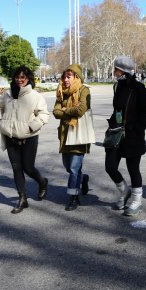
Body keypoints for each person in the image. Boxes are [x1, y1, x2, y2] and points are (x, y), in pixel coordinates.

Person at [0, 66, 50, 214]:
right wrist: (0, 121)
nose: (19, 80)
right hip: (10, 136)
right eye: (17, 77)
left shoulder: (35, 96)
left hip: (28, 137)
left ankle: (42, 182)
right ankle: (22, 199)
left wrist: (31, 127)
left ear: (28, 78)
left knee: (28, 168)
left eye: (23, 77)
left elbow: (44, 114)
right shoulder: (7, 93)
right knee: (16, 168)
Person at [105, 56, 146, 216]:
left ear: (123, 71)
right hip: (117, 133)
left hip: (133, 135)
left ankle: (137, 201)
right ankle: (125, 191)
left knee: (133, 169)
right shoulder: (118, 86)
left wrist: (137, 128)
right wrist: (112, 123)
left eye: (116, 69)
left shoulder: (138, 87)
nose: (114, 72)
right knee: (110, 166)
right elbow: (117, 110)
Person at [53, 63, 92, 211]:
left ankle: (73, 197)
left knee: (74, 168)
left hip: (78, 133)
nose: (66, 79)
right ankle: (83, 179)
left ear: (76, 77)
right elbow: (55, 112)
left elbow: (81, 110)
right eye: (64, 76)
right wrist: (68, 111)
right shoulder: (61, 91)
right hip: (64, 134)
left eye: (69, 76)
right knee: (68, 167)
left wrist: (64, 110)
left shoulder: (84, 90)